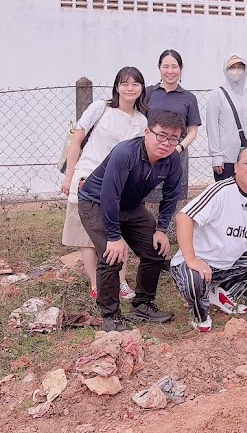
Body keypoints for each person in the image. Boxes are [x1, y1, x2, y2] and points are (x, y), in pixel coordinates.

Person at [77, 110, 186, 331]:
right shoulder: (125, 152)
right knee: (112, 256)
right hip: (96, 202)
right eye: (161, 135)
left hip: (131, 206)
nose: (166, 143)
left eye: (173, 138)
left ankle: (143, 305)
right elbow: (109, 195)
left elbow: (171, 194)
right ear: (147, 132)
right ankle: (111, 316)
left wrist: (161, 229)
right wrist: (114, 236)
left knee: (156, 249)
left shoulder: (173, 159)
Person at [170, 146, 247, 332]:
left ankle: (227, 294)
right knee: (195, 281)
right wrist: (192, 260)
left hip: (228, 265)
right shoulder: (221, 190)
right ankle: (199, 312)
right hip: (197, 263)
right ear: (236, 167)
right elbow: (184, 217)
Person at [61, 66, 147, 302]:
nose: (130, 88)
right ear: (117, 87)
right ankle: (95, 283)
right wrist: (69, 176)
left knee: (118, 232)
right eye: (124, 83)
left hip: (119, 184)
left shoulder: (141, 121)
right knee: (87, 236)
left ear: (142, 88)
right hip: (87, 178)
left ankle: (120, 281)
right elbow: (76, 141)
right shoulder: (100, 108)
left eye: (135, 84)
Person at [145, 50, 200, 202]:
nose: (170, 71)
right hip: (150, 154)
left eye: (174, 67)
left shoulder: (189, 98)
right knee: (148, 198)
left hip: (177, 154)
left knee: (175, 198)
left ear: (180, 69)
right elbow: (140, 123)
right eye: (166, 66)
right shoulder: (148, 93)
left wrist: (178, 148)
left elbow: (192, 131)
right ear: (159, 68)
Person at [205, 54, 247, 182]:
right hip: (226, 159)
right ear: (225, 70)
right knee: (226, 191)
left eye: (240, 67)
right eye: (232, 67)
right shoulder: (217, 94)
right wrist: (216, 156)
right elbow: (212, 127)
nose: (236, 71)